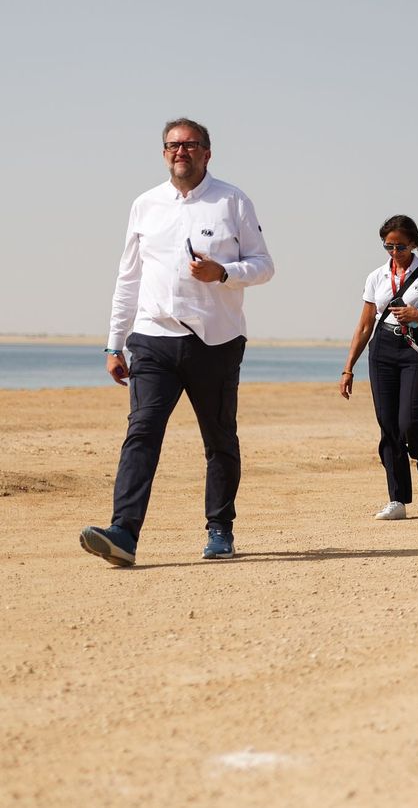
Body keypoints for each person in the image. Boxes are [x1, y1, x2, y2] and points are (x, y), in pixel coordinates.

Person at [80, 118, 275, 567]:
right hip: (152, 339)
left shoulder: (232, 201)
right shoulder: (145, 204)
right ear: (163, 153)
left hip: (216, 340)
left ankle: (219, 527)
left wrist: (223, 273)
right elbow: (128, 277)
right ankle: (123, 533)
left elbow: (264, 265)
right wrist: (114, 343)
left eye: (189, 145)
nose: (179, 152)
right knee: (141, 432)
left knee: (219, 438)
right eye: (172, 145)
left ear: (207, 152)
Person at [337, 215, 418, 521]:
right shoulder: (376, 277)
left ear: (413, 242)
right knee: (388, 426)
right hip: (383, 350)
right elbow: (364, 326)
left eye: (400, 246)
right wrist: (348, 368)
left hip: (417, 348)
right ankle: (397, 499)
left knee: (410, 423)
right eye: (388, 246)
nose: (394, 251)